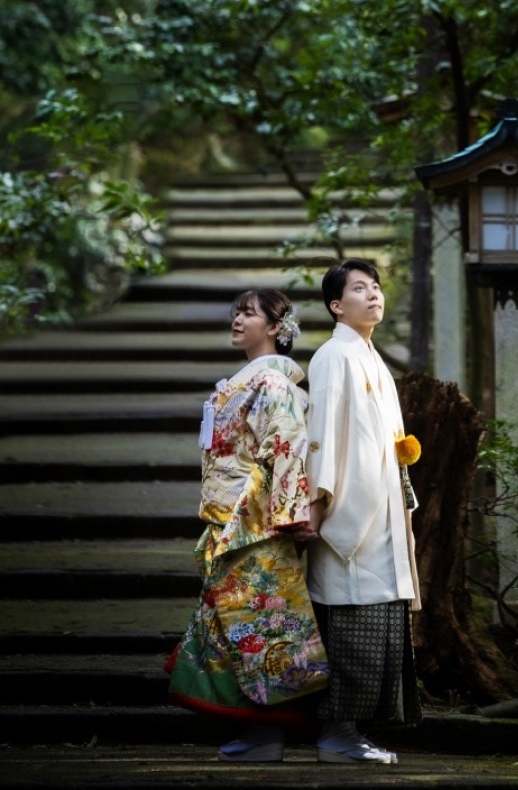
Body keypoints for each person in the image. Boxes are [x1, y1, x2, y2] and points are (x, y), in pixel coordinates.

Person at [167, 289, 329, 763]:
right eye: (236, 312)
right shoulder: (245, 381)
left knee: (261, 628)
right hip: (229, 518)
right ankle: (260, 734)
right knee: (242, 627)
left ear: (277, 328)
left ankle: (267, 735)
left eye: (249, 313)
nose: (237, 320)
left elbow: (286, 449)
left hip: (254, 523)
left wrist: (290, 513)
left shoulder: (274, 384)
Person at [304, 258, 422, 766]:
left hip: (383, 511)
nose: (373, 295)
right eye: (359, 288)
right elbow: (324, 436)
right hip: (349, 514)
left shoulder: (370, 356)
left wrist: (405, 498)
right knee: (353, 623)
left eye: (376, 287)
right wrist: (316, 505)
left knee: (378, 619)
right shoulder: (334, 356)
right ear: (336, 305)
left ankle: (351, 733)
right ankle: (338, 733)